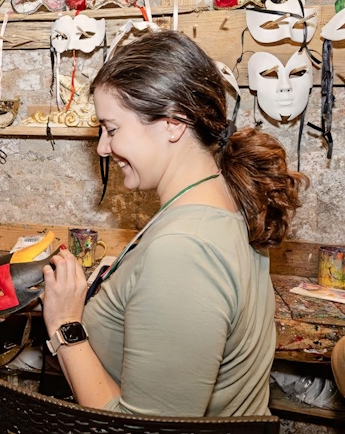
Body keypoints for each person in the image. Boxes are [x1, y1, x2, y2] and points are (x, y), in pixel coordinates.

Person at [43, 30, 309, 417]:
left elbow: (143, 429)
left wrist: (65, 323)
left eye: (112, 129)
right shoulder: (219, 203)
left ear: (172, 123)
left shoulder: (185, 250)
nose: (102, 147)